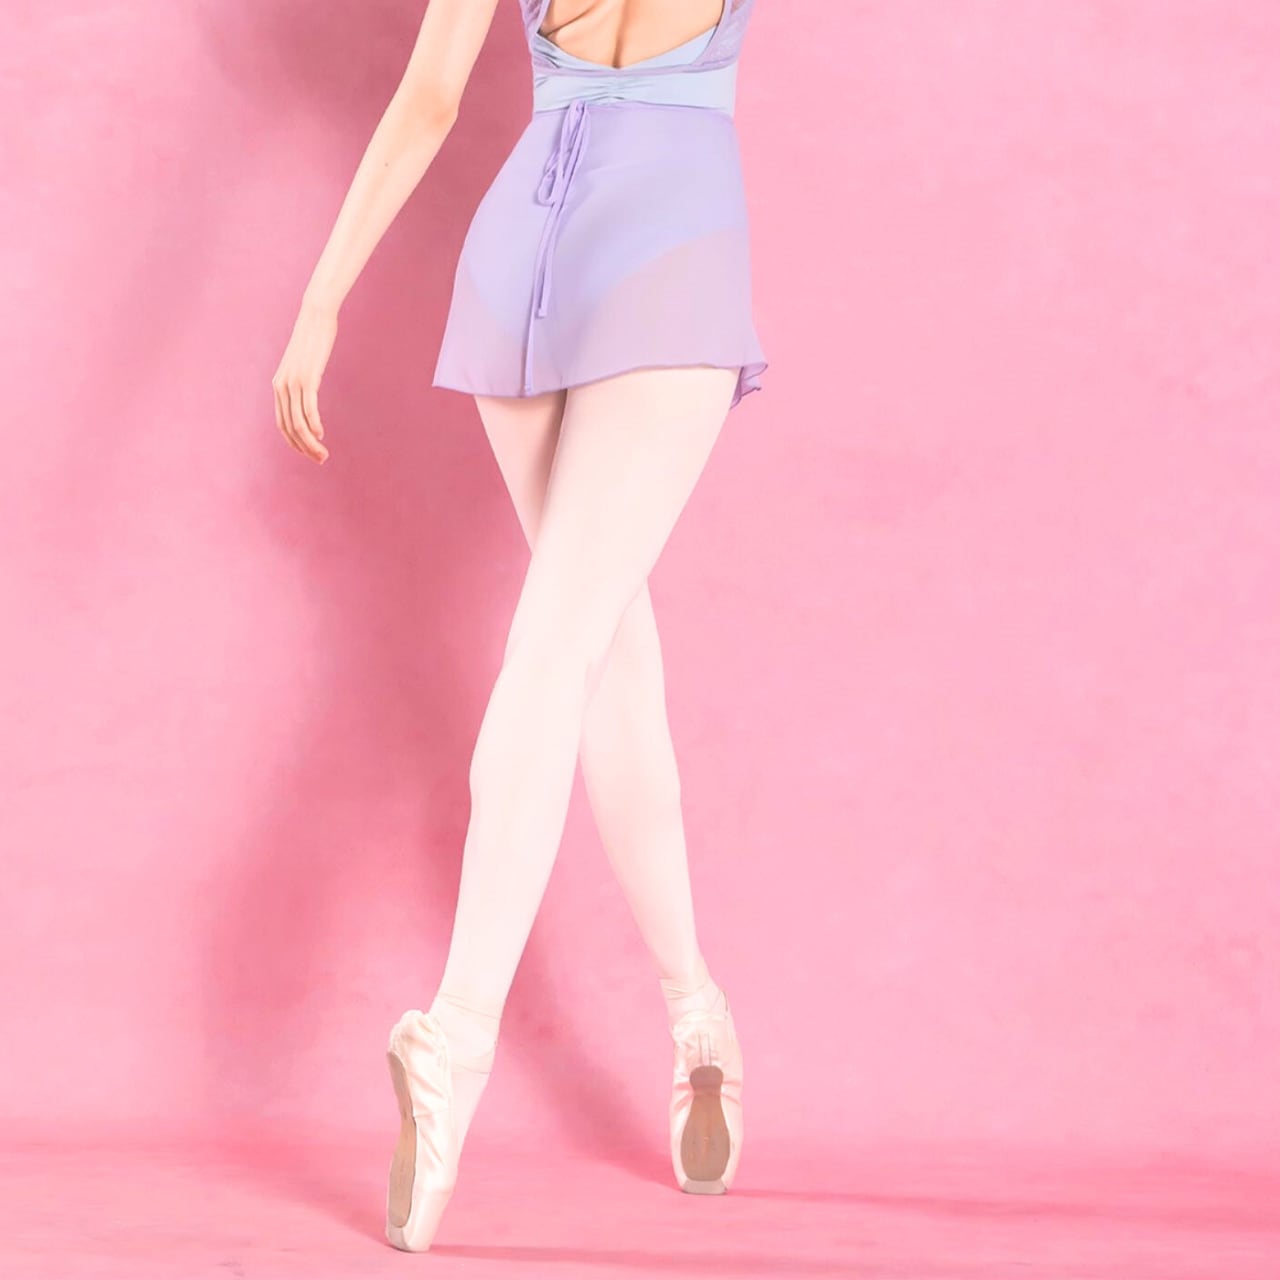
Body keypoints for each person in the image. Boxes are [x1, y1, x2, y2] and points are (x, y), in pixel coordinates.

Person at [270, 0, 764, 1252]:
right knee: (568, 644)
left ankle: (694, 1009)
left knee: (598, 646)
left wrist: (320, 303)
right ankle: (459, 1032)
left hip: (521, 264)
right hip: (668, 253)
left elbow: (430, 98)